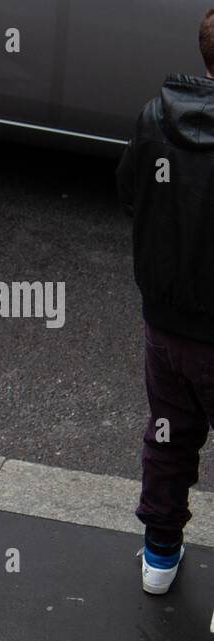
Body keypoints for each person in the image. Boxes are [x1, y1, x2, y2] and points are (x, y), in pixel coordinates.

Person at [116, 8, 214, 595]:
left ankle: (159, 555)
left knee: (169, 437)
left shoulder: (157, 118)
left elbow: (131, 194)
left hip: (166, 324)